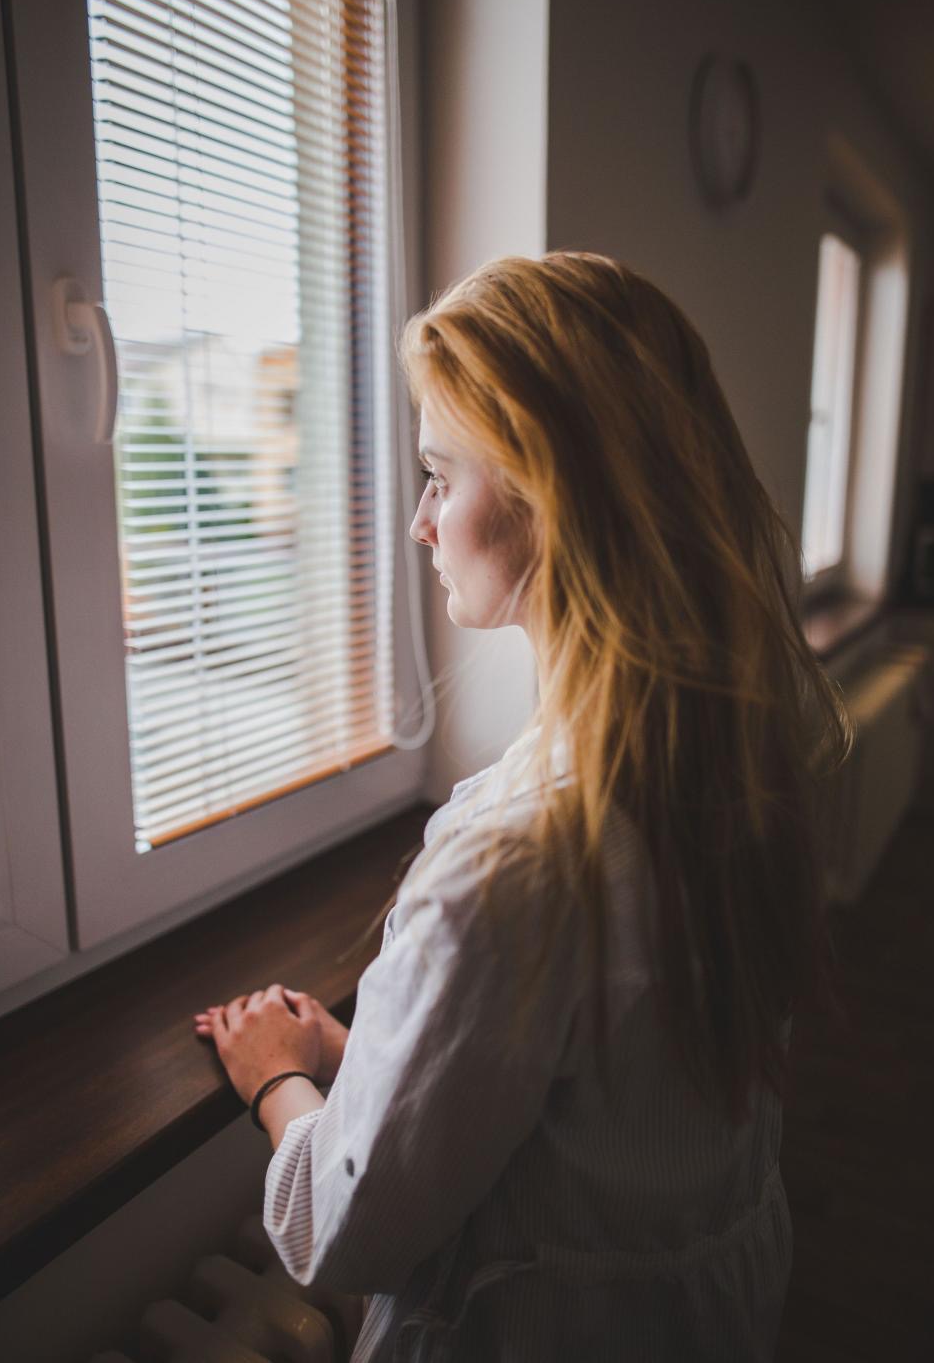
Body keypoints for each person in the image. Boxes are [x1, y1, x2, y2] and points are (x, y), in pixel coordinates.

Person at [194, 251, 850, 1361]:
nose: (420, 523)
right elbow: (594, 1110)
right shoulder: (742, 761)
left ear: (553, 494)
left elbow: (338, 1231)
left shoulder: (513, 862)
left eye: (442, 477)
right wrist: (379, 1062)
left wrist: (281, 1082)